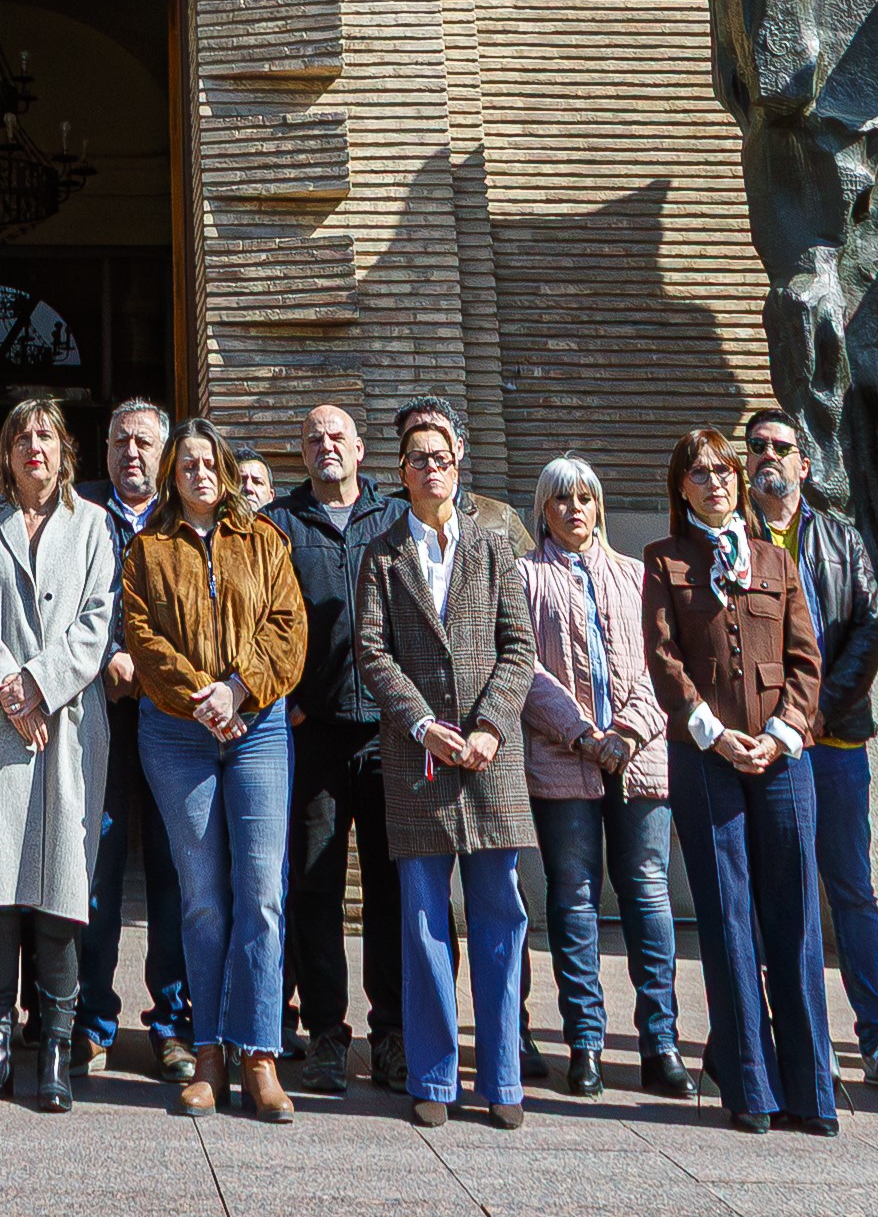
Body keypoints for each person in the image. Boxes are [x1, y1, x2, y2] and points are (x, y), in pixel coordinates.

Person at [646, 427, 840, 1136]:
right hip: (706, 757)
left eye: (724, 471)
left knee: (795, 917)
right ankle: (750, 1085)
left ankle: (811, 1090)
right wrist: (713, 732)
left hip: (781, 756)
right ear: (682, 487)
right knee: (728, 918)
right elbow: (663, 657)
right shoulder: (664, 559)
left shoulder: (775, 559)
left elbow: (806, 658)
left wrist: (783, 732)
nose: (715, 483)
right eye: (700, 473)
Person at [354, 402, 538, 1128]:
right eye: (417, 458)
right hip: (417, 761)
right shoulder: (382, 555)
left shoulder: (494, 548)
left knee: (500, 919)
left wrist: (490, 725)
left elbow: (519, 648)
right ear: (400, 472)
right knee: (425, 923)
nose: (431, 467)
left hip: (492, 762)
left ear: (459, 464)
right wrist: (424, 724)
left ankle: (502, 1078)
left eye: (441, 456)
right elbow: (372, 652)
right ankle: (433, 1076)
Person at [117, 416, 305, 1124]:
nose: (199, 472)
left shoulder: (265, 541)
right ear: (172, 474)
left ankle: (259, 1055)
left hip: (257, 729)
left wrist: (238, 689)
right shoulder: (147, 548)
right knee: (201, 897)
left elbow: (288, 627)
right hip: (178, 733)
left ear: (225, 471)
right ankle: (208, 1054)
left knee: (261, 892)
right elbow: (140, 635)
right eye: (187, 463)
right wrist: (203, 695)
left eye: (209, 462)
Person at [739, 406, 878, 1100]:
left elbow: (869, 631)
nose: (768, 455)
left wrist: (814, 715)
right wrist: (778, 724)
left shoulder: (841, 537)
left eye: (781, 446)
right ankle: (782, 1038)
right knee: (770, 891)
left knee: (851, 889)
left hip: (833, 741)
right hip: (763, 744)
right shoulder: (732, 539)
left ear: (804, 463)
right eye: (757, 445)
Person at [0, 396, 120, 1112]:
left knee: (59, 891)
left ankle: (55, 1053)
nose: (33, 448)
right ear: (6, 455)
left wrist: (41, 685)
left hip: (66, 726)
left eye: (45, 437)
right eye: (21, 439)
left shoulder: (94, 525)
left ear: (64, 450)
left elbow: (97, 620)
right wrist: (9, 688)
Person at [518, 453, 684, 1108]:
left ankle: (660, 1045)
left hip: (639, 759)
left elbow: (661, 662)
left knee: (648, 893)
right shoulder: (524, 576)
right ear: (544, 509)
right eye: (562, 499)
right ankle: (584, 1042)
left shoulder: (636, 575)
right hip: (564, 758)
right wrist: (583, 734)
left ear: (600, 507)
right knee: (575, 896)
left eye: (585, 497)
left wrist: (630, 733)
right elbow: (524, 669)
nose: (575, 509)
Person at [264, 399, 408, 1093]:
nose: (325, 444)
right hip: (314, 730)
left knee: (389, 886)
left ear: (359, 449)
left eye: (336, 435)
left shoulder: (396, 517)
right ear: (302, 453)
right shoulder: (280, 524)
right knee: (315, 884)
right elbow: (262, 617)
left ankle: (393, 1035)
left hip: (389, 731)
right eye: (312, 436)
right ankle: (326, 1033)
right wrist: (286, 696)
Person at [74, 394, 194, 1083]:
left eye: (145, 442)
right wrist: (106, 657)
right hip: (100, 714)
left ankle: (172, 1023)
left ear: (166, 452)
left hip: (174, 718)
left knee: (174, 870)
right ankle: (91, 1020)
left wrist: (156, 669)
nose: (132, 453)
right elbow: (62, 604)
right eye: (121, 441)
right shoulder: (81, 513)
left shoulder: (185, 514)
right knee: (97, 868)